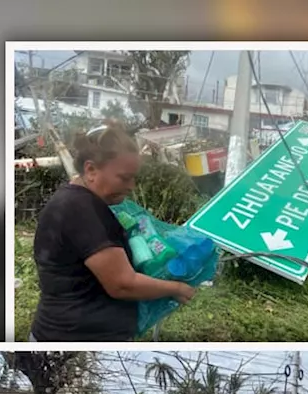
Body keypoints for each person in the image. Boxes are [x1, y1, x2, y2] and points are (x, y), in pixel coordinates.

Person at [29, 123, 196, 342]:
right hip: (74, 341)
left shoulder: (72, 201)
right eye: (124, 178)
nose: (131, 186)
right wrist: (175, 288)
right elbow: (122, 284)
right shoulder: (82, 210)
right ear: (90, 170)